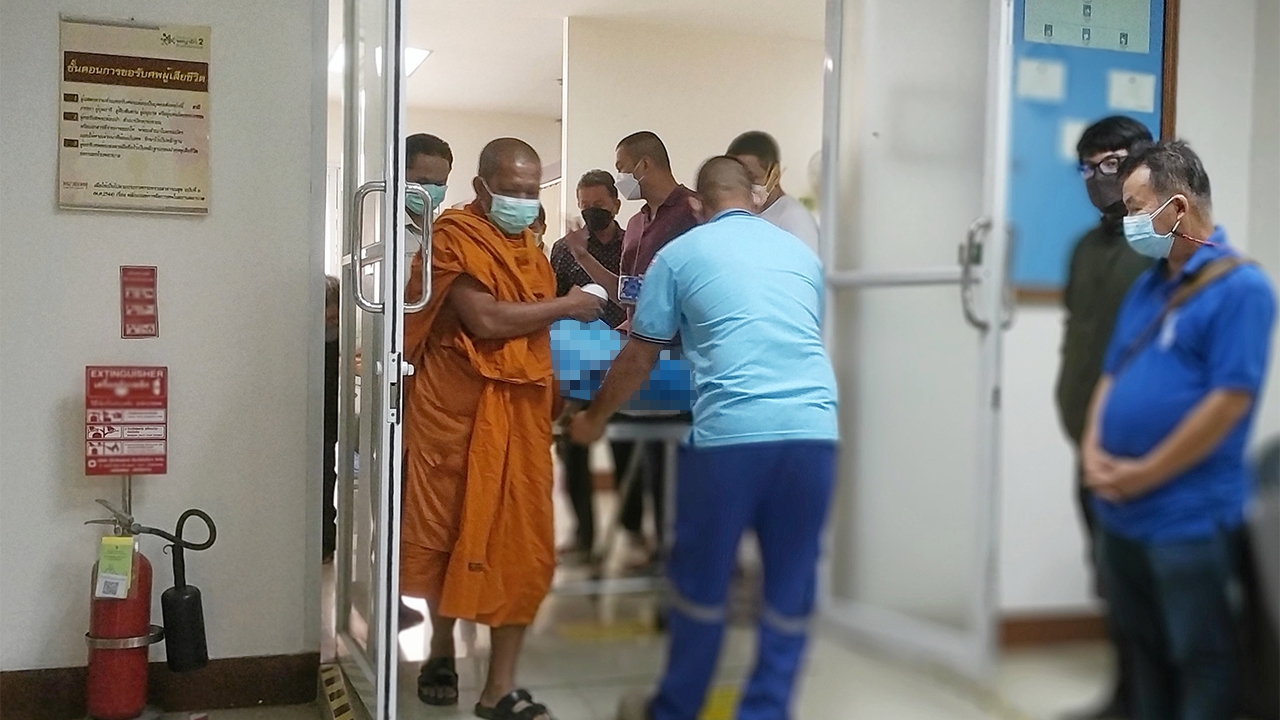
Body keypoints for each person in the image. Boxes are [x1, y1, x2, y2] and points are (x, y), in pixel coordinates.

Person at [569, 156, 839, 720]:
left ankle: (675, 709)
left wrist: (593, 419)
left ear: (697, 204)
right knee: (790, 587)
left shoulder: (680, 253)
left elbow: (640, 355)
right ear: (755, 197)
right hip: (813, 434)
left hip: (731, 441)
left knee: (701, 584)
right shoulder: (801, 255)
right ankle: (765, 710)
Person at [399, 137, 604, 720]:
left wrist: (561, 384)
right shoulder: (453, 237)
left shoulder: (532, 249)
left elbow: (530, 332)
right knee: (448, 539)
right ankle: (441, 651)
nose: (522, 200)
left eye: (530, 190)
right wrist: (568, 306)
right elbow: (486, 320)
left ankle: (500, 689)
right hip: (454, 418)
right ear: (481, 187)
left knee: (521, 548)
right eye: (511, 190)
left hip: (520, 416)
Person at [1082, 140, 1276, 720]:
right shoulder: (1146, 286)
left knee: (1199, 658)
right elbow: (1112, 374)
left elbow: (1228, 403)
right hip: (1121, 514)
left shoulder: (1243, 289)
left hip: (1186, 518)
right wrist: (1092, 452)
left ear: (1179, 207)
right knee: (1143, 653)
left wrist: (1143, 473)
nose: (1129, 222)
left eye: (1136, 208)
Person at [1054, 115, 1153, 720]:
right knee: (1110, 577)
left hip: (1143, 452)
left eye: (1111, 163)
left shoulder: (1161, 249)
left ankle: (1152, 701)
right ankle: (1125, 696)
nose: (1098, 177)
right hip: (1088, 447)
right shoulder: (1085, 249)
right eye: (1088, 167)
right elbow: (1078, 334)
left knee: (1148, 583)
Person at [566, 131, 699, 558]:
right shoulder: (640, 224)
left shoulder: (694, 212)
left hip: (676, 356)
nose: (621, 175)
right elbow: (626, 294)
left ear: (644, 165)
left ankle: (669, 552)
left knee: (668, 470)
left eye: (622, 168)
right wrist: (582, 257)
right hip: (636, 348)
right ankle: (612, 536)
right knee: (572, 405)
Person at [549, 170, 634, 560]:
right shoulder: (563, 250)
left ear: (615, 203)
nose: (592, 211)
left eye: (599, 204)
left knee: (627, 447)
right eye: (585, 205)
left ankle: (633, 532)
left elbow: (634, 298)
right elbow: (552, 302)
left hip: (623, 358)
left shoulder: (633, 244)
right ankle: (583, 536)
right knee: (573, 448)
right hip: (576, 359)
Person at [727, 131, 819, 254]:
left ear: (774, 175)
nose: (743, 185)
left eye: (752, 177)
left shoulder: (794, 218)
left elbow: (805, 263)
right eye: (737, 178)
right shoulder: (738, 214)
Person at [322, 275, 341, 565]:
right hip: (316, 418)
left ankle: (325, 543)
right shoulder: (310, 339)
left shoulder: (337, 337)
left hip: (328, 422)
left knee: (326, 477)